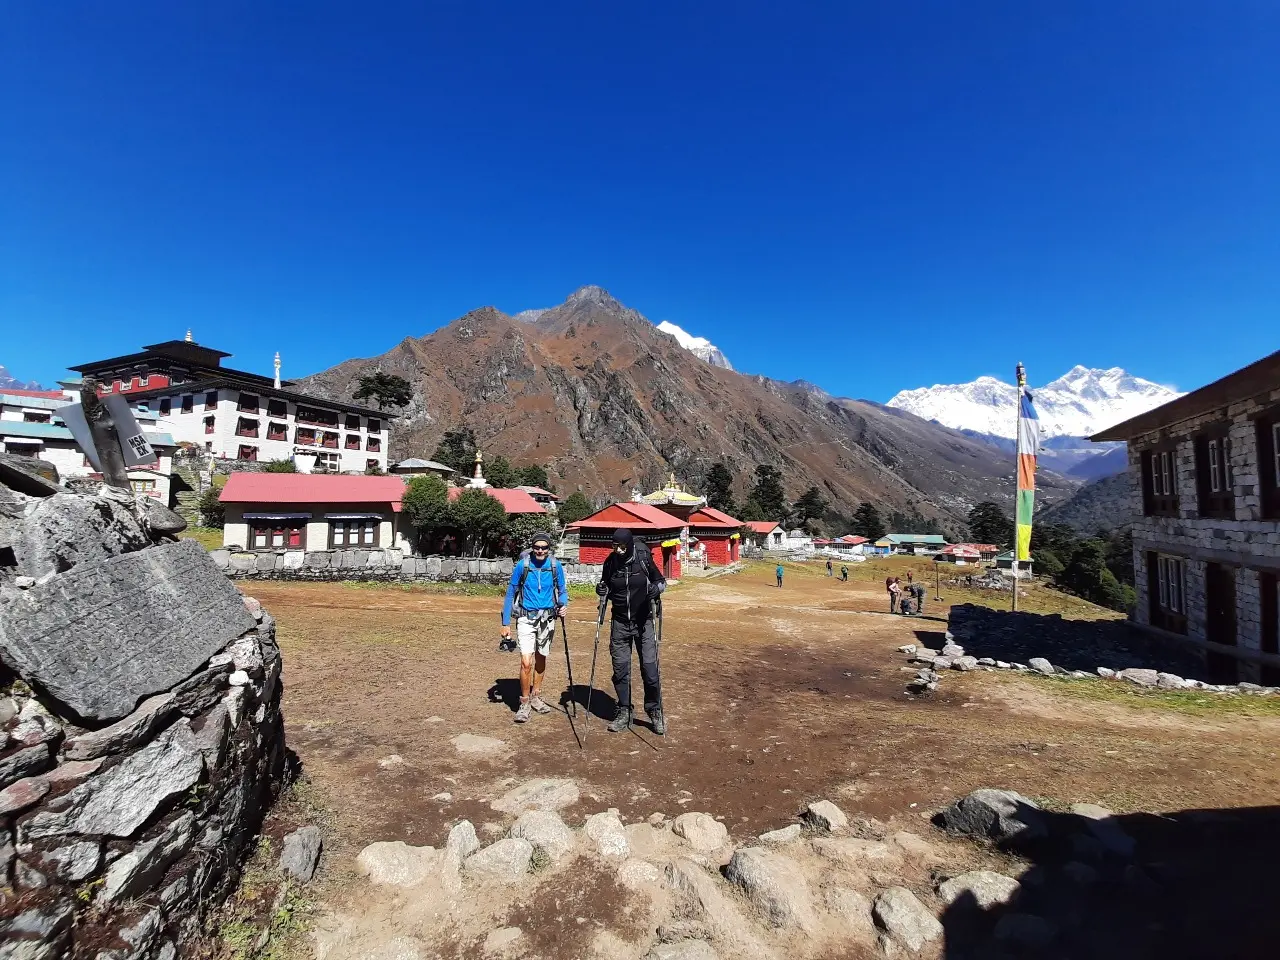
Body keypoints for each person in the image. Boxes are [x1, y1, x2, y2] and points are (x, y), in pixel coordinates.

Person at [596, 529, 667, 735]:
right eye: (614, 546)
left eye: (622, 546)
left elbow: (661, 582)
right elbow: (605, 585)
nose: (618, 550)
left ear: (628, 545)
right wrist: (601, 590)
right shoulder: (610, 562)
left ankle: (654, 711)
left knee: (650, 670)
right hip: (619, 623)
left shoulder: (643, 558)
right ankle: (624, 710)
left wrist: (655, 589)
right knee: (620, 670)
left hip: (644, 621)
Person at [501, 531, 568, 724]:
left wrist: (562, 604)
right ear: (532, 548)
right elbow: (509, 594)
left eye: (544, 547)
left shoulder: (555, 566)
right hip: (526, 619)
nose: (540, 550)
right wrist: (505, 623)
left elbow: (562, 591)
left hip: (547, 619)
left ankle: (536, 696)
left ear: (549, 549)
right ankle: (524, 702)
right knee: (526, 662)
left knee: (541, 659)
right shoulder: (523, 565)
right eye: (537, 547)